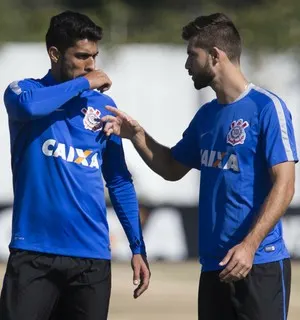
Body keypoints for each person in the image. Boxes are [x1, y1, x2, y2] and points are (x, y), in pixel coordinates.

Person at [101, 13, 298, 320]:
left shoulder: (267, 108)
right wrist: (137, 136)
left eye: (192, 55)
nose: (187, 65)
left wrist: (249, 245)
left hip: (259, 263)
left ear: (216, 56)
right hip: (213, 267)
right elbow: (171, 167)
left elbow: (285, 185)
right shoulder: (207, 116)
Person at [0, 10, 150, 320]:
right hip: (34, 254)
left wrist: (137, 246)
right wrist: (86, 84)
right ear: (54, 54)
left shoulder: (102, 108)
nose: (91, 65)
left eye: (94, 56)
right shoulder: (24, 92)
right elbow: (30, 106)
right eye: (81, 56)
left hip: (91, 259)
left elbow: (119, 180)